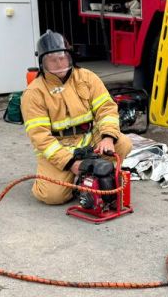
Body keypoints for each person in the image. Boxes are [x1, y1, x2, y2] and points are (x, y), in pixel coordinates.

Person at [21, 30, 132, 205]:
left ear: (70, 57)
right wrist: (70, 163)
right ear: (42, 62)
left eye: (62, 57)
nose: (58, 63)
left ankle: (98, 178)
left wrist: (108, 137)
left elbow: (107, 109)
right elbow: (40, 137)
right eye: (52, 59)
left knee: (123, 143)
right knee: (53, 196)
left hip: (89, 140)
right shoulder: (34, 93)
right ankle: (56, 178)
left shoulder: (87, 78)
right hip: (59, 147)